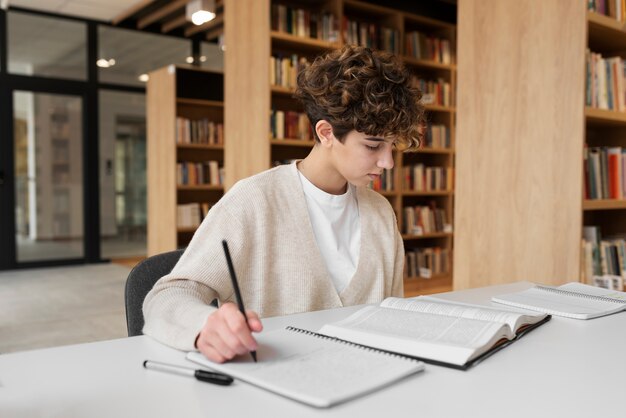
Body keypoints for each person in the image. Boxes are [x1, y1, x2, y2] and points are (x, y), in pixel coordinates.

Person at [143, 45, 425, 363]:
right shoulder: (252, 202)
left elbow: (392, 316)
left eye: (392, 146)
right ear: (327, 132)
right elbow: (166, 297)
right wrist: (205, 326)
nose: (387, 162)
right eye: (373, 145)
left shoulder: (380, 213)